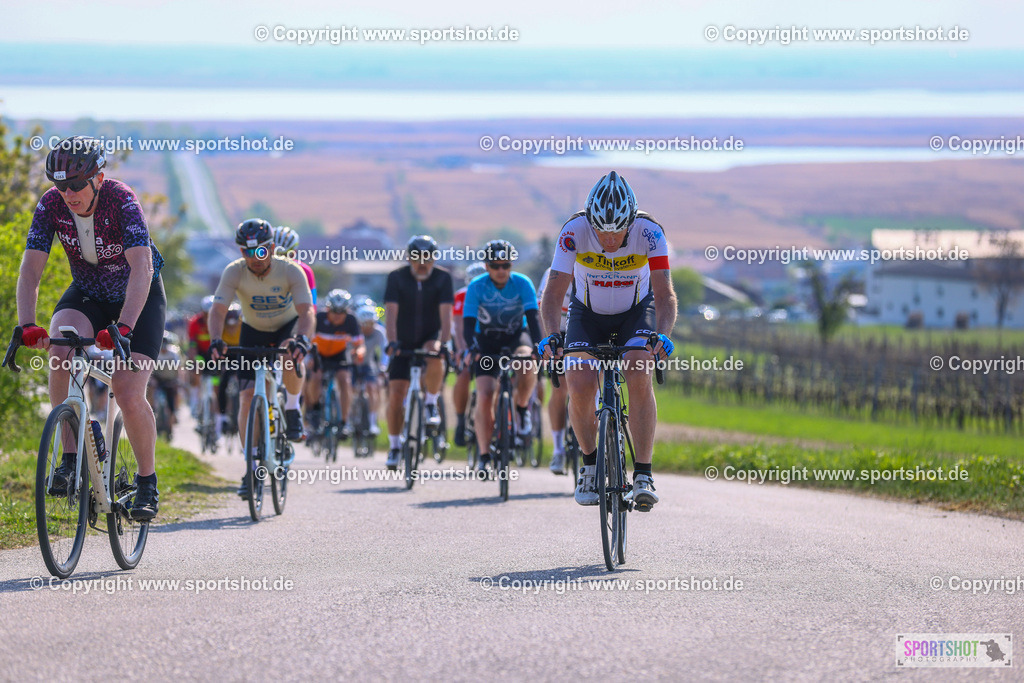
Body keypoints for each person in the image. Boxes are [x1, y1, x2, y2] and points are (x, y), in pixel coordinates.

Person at [16, 136, 166, 520]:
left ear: (98, 177)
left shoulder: (121, 199)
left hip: (139, 295)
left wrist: (127, 326)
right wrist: (27, 323)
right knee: (60, 350)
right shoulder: (51, 203)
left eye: (76, 185)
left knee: (127, 390)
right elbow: (32, 269)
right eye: (60, 185)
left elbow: (141, 268)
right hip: (87, 293)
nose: (68, 193)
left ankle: (147, 483)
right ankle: (70, 455)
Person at [539, 171, 677, 511]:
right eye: (602, 231)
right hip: (587, 313)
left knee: (638, 367)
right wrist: (552, 338)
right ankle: (588, 463)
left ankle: (643, 473)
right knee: (579, 378)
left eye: (618, 231)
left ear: (631, 221)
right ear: (590, 221)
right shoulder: (573, 232)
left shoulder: (650, 233)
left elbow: (665, 296)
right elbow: (553, 294)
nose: (610, 239)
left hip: (636, 312)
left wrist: (663, 336)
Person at [207, 218, 314, 498]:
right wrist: (216, 340)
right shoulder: (234, 271)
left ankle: (291, 408)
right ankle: (251, 465)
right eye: (247, 252)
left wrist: (303, 339)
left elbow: (307, 312)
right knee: (247, 397)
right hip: (252, 330)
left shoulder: (291, 270)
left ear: (272, 247)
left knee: (291, 353)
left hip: (286, 328)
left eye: (261, 251)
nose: (255, 258)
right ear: (240, 252)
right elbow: (218, 311)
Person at [462, 240, 541, 473]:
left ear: (511, 265)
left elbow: (533, 317)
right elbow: (468, 323)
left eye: (506, 265)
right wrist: (472, 347)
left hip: (517, 336)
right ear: (486, 266)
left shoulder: (522, 282)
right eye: (495, 266)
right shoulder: (476, 286)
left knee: (527, 362)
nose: (501, 270)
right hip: (486, 340)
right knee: (485, 395)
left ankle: (522, 408)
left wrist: (538, 346)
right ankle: (484, 455)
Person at [383, 235, 453, 469]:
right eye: (417, 258)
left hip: (428, 337)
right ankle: (394, 446)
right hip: (402, 340)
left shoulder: (443, 278)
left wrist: (443, 343)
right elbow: (390, 313)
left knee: (434, 353)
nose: (422, 263)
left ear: (434, 258)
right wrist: (392, 342)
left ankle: (431, 403)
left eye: (427, 258)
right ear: (409, 257)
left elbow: (446, 315)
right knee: (396, 395)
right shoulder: (396, 277)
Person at [305, 288, 364, 438]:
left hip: (339, 354)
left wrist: (359, 353)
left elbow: (359, 344)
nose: (338, 316)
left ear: (347, 311)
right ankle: (315, 408)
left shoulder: (351, 321)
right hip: (319, 353)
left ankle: (344, 422)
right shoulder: (319, 318)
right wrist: (309, 358)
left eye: (341, 312)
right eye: (334, 312)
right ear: (328, 309)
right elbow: (306, 341)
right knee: (316, 376)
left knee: (345, 380)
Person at [537, 266, 572, 474]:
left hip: (585, 328)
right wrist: (546, 344)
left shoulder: (596, 266)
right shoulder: (553, 272)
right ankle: (558, 449)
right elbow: (543, 309)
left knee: (597, 379)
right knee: (559, 389)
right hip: (557, 329)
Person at [452, 262, 487, 446]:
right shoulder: (461, 295)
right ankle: (459, 420)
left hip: (486, 340)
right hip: (465, 340)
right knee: (464, 372)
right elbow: (458, 326)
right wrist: (463, 349)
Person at [354, 305, 386, 435]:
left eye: (371, 323)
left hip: (369, 364)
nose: (368, 327)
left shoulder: (379, 332)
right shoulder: (354, 332)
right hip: (353, 363)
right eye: (365, 324)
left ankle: (373, 422)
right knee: (350, 388)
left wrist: (383, 366)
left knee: (373, 388)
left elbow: (385, 351)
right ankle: (351, 417)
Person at [273, 225, 318, 306]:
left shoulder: (305, 271)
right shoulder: (257, 268)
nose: (281, 259)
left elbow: (312, 304)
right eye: (276, 255)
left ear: (294, 253)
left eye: (286, 255)